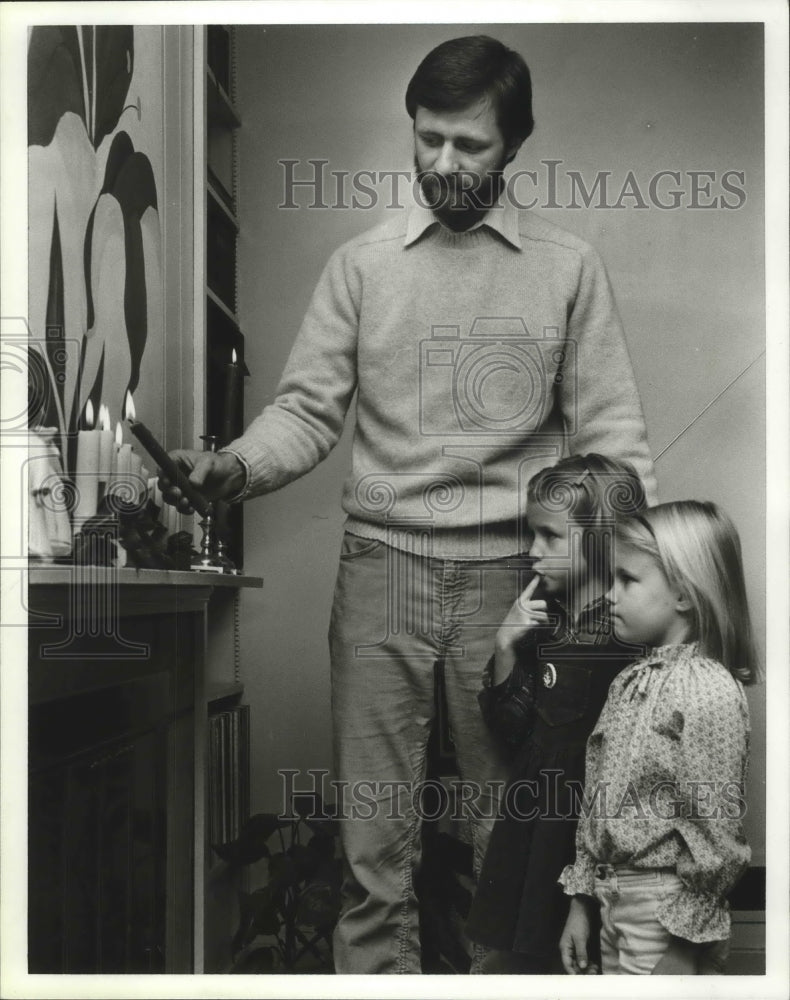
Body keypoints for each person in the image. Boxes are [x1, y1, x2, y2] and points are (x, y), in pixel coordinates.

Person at [160, 35, 657, 973]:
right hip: (382, 569)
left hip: (517, 579)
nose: (442, 163)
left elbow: (614, 442)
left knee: (499, 843)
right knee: (373, 854)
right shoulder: (362, 266)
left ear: (514, 145)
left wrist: (651, 587)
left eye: (468, 145)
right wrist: (234, 466)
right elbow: (306, 411)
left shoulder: (568, 268)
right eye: (427, 139)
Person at [464, 453, 647, 973]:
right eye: (532, 534)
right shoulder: (545, 623)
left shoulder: (626, 638)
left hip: (588, 826)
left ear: (600, 537)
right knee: (535, 958)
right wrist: (505, 646)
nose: (532, 550)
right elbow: (511, 728)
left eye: (550, 537)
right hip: (535, 824)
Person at [558, 501, 758, 975]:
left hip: (664, 910)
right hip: (614, 900)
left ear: (685, 595)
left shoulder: (705, 686)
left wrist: (685, 939)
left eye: (627, 580)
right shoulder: (630, 681)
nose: (609, 595)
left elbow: (714, 823)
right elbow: (598, 802)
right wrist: (582, 901)